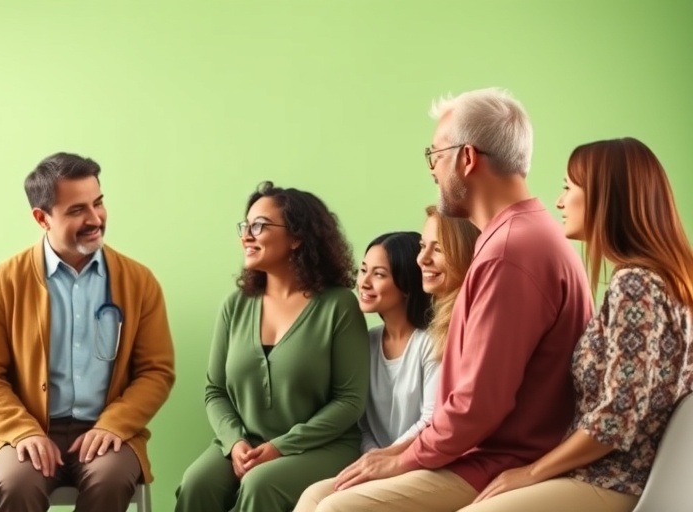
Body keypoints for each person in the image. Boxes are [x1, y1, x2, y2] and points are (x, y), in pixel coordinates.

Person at [313, 87, 593, 511]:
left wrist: (404, 458)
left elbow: (478, 406)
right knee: (318, 494)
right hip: (472, 454)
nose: (432, 170)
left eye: (436, 155)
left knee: (337, 507)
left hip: (493, 462)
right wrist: (393, 453)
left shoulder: (510, 251)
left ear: (467, 157)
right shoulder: (514, 237)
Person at [464, 137, 693, 511]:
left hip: (614, 480)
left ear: (606, 197)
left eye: (568, 188)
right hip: (626, 477)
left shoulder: (634, 285)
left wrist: (533, 471)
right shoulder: (669, 283)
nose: (558, 202)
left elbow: (617, 416)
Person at [0, 152, 176, 512]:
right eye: (77, 210)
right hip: (28, 430)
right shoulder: (2, 283)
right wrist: (24, 431)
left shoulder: (139, 282)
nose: (95, 219)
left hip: (108, 430)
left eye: (98, 203)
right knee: (16, 484)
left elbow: (156, 372)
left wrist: (113, 425)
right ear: (42, 217)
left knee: (110, 479)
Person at [175, 181, 370, 512]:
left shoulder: (339, 306)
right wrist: (234, 440)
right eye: (245, 226)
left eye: (259, 226)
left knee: (260, 484)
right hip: (245, 442)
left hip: (322, 447)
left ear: (297, 237)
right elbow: (215, 391)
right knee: (197, 484)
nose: (246, 236)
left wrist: (282, 446)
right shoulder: (234, 306)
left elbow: (349, 401)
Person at [295, 231, 436, 510]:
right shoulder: (367, 343)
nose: (364, 282)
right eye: (363, 271)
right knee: (312, 496)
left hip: (420, 464)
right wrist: (372, 456)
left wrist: (388, 458)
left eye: (379, 274)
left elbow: (432, 419)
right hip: (377, 463)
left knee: (331, 507)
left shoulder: (430, 343)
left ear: (407, 282)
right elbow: (363, 422)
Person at [417, 205, 480, 362]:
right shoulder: (440, 321)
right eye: (423, 246)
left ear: (465, 253)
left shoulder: (470, 323)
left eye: (438, 249)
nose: (422, 259)